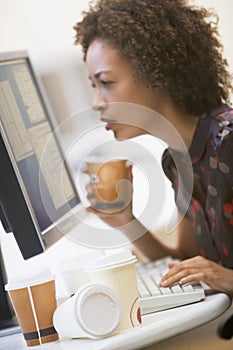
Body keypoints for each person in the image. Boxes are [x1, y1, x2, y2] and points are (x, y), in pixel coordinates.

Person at [74, 0, 233, 296]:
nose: (96, 102)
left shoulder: (229, 144)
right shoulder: (177, 161)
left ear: (158, 74)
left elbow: (218, 275)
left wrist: (228, 279)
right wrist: (126, 221)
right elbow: (187, 266)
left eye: (106, 82)